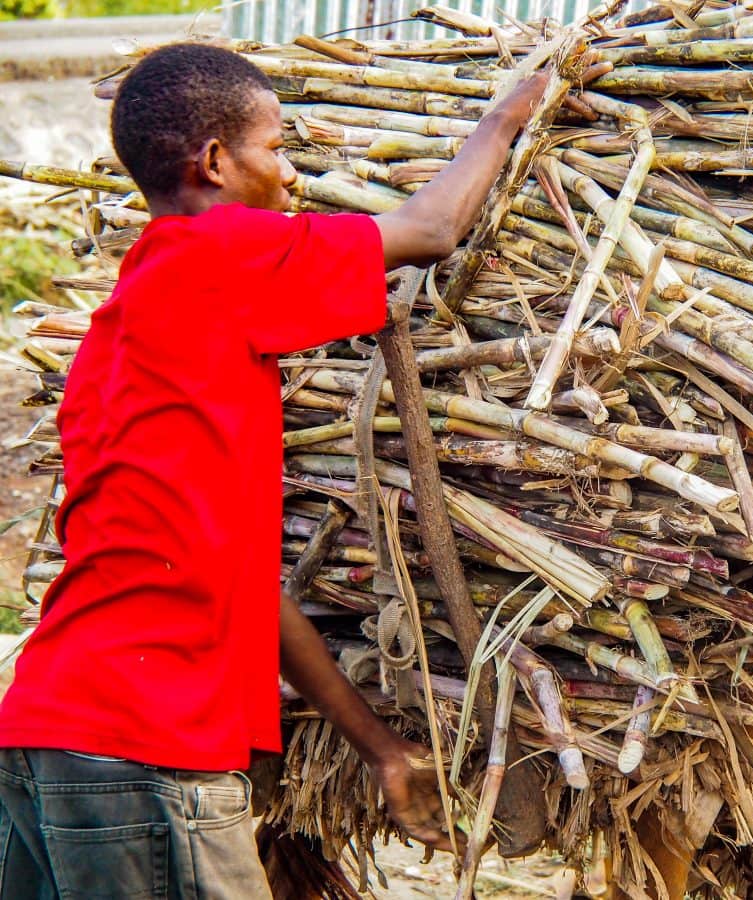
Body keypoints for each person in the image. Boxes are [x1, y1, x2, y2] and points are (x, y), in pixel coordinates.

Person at [0, 42, 549, 899]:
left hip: (47, 736)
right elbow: (434, 229)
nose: (290, 177)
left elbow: (244, 589)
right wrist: (505, 117)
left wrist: (380, 750)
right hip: (146, 754)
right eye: (277, 148)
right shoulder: (213, 254)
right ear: (215, 163)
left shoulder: (123, 333)